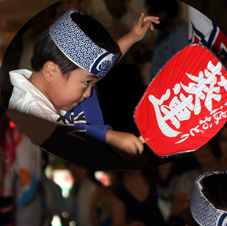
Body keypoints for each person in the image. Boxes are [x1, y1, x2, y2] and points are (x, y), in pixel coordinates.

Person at [8, 9, 158, 155]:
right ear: (50, 72)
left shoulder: (61, 85)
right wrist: (110, 137)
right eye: (87, 83)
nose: (89, 93)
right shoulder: (26, 107)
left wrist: (132, 37)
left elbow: (100, 69)